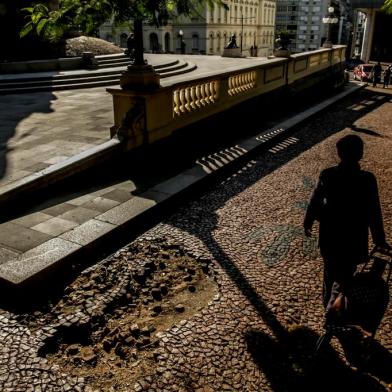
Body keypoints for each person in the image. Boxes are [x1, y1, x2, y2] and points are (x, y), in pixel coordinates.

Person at [304, 135, 389, 307]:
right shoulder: (367, 179)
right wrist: (379, 239)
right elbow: (374, 210)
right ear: (360, 154)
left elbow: (315, 200)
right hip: (354, 235)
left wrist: (310, 220)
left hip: (331, 235)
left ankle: (330, 307)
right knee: (348, 275)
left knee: (330, 274)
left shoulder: (327, 175)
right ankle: (342, 307)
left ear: (339, 153)